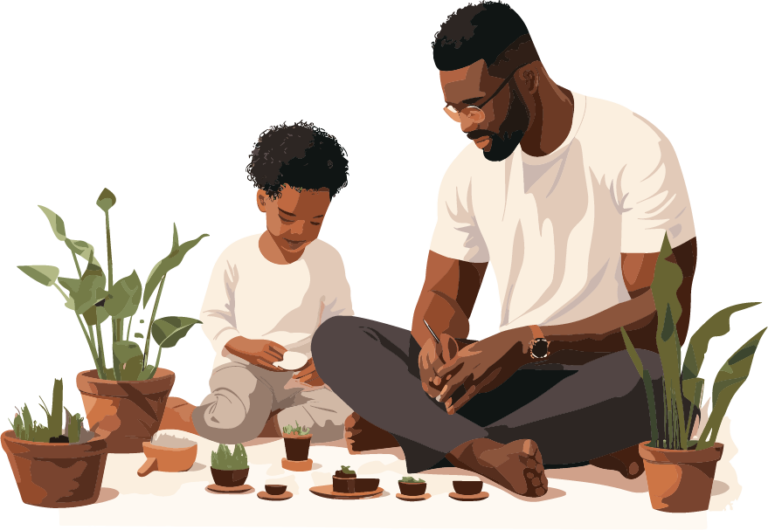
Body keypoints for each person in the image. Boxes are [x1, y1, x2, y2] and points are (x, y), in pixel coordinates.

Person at [310, 1, 700, 498]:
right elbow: (443, 297)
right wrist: (435, 346)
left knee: (655, 380)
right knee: (340, 339)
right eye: (450, 108)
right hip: (497, 379)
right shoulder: (466, 172)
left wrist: (527, 342)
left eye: (474, 105)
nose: (463, 124)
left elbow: (663, 315)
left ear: (529, 79)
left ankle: (424, 432)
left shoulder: (634, 148)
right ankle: (484, 450)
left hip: (598, 375)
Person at [158, 120, 355, 445]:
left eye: (316, 221)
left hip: (302, 377)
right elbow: (212, 317)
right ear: (263, 200)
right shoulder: (236, 256)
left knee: (343, 418)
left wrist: (327, 362)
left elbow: (340, 323)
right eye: (288, 217)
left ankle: (255, 426)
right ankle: (183, 414)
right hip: (243, 371)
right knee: (235, 414)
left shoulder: (329, 258)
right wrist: (243, 346)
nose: (300, 231)